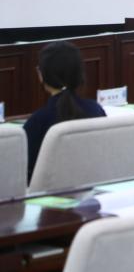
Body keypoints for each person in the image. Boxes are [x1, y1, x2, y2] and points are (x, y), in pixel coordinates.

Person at [23, 41, 106, 181]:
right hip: (92, 188)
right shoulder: (95, 110)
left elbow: (24, 171)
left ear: (41, 74)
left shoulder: (37, 121)